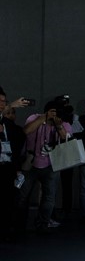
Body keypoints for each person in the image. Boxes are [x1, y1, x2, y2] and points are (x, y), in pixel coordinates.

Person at [16, 100, 72, 234]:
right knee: (22, 196)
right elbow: (26, 131)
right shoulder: (34, 118)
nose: (56, 115)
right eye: (53, 111)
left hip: (52, 164)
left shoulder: (64, 122)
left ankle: (43, 224)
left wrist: (58, 125)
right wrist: (43, 118)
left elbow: (66, 141)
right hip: (30, 163)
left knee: (49, 197)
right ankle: (18, 224)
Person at [0, 88, 29, 239]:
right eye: (0, 101)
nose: (2, 104)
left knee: (8, 199)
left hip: (8, 165)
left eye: (4, 101)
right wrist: (11, 105)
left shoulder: (8, 124)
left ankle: (6, 229)